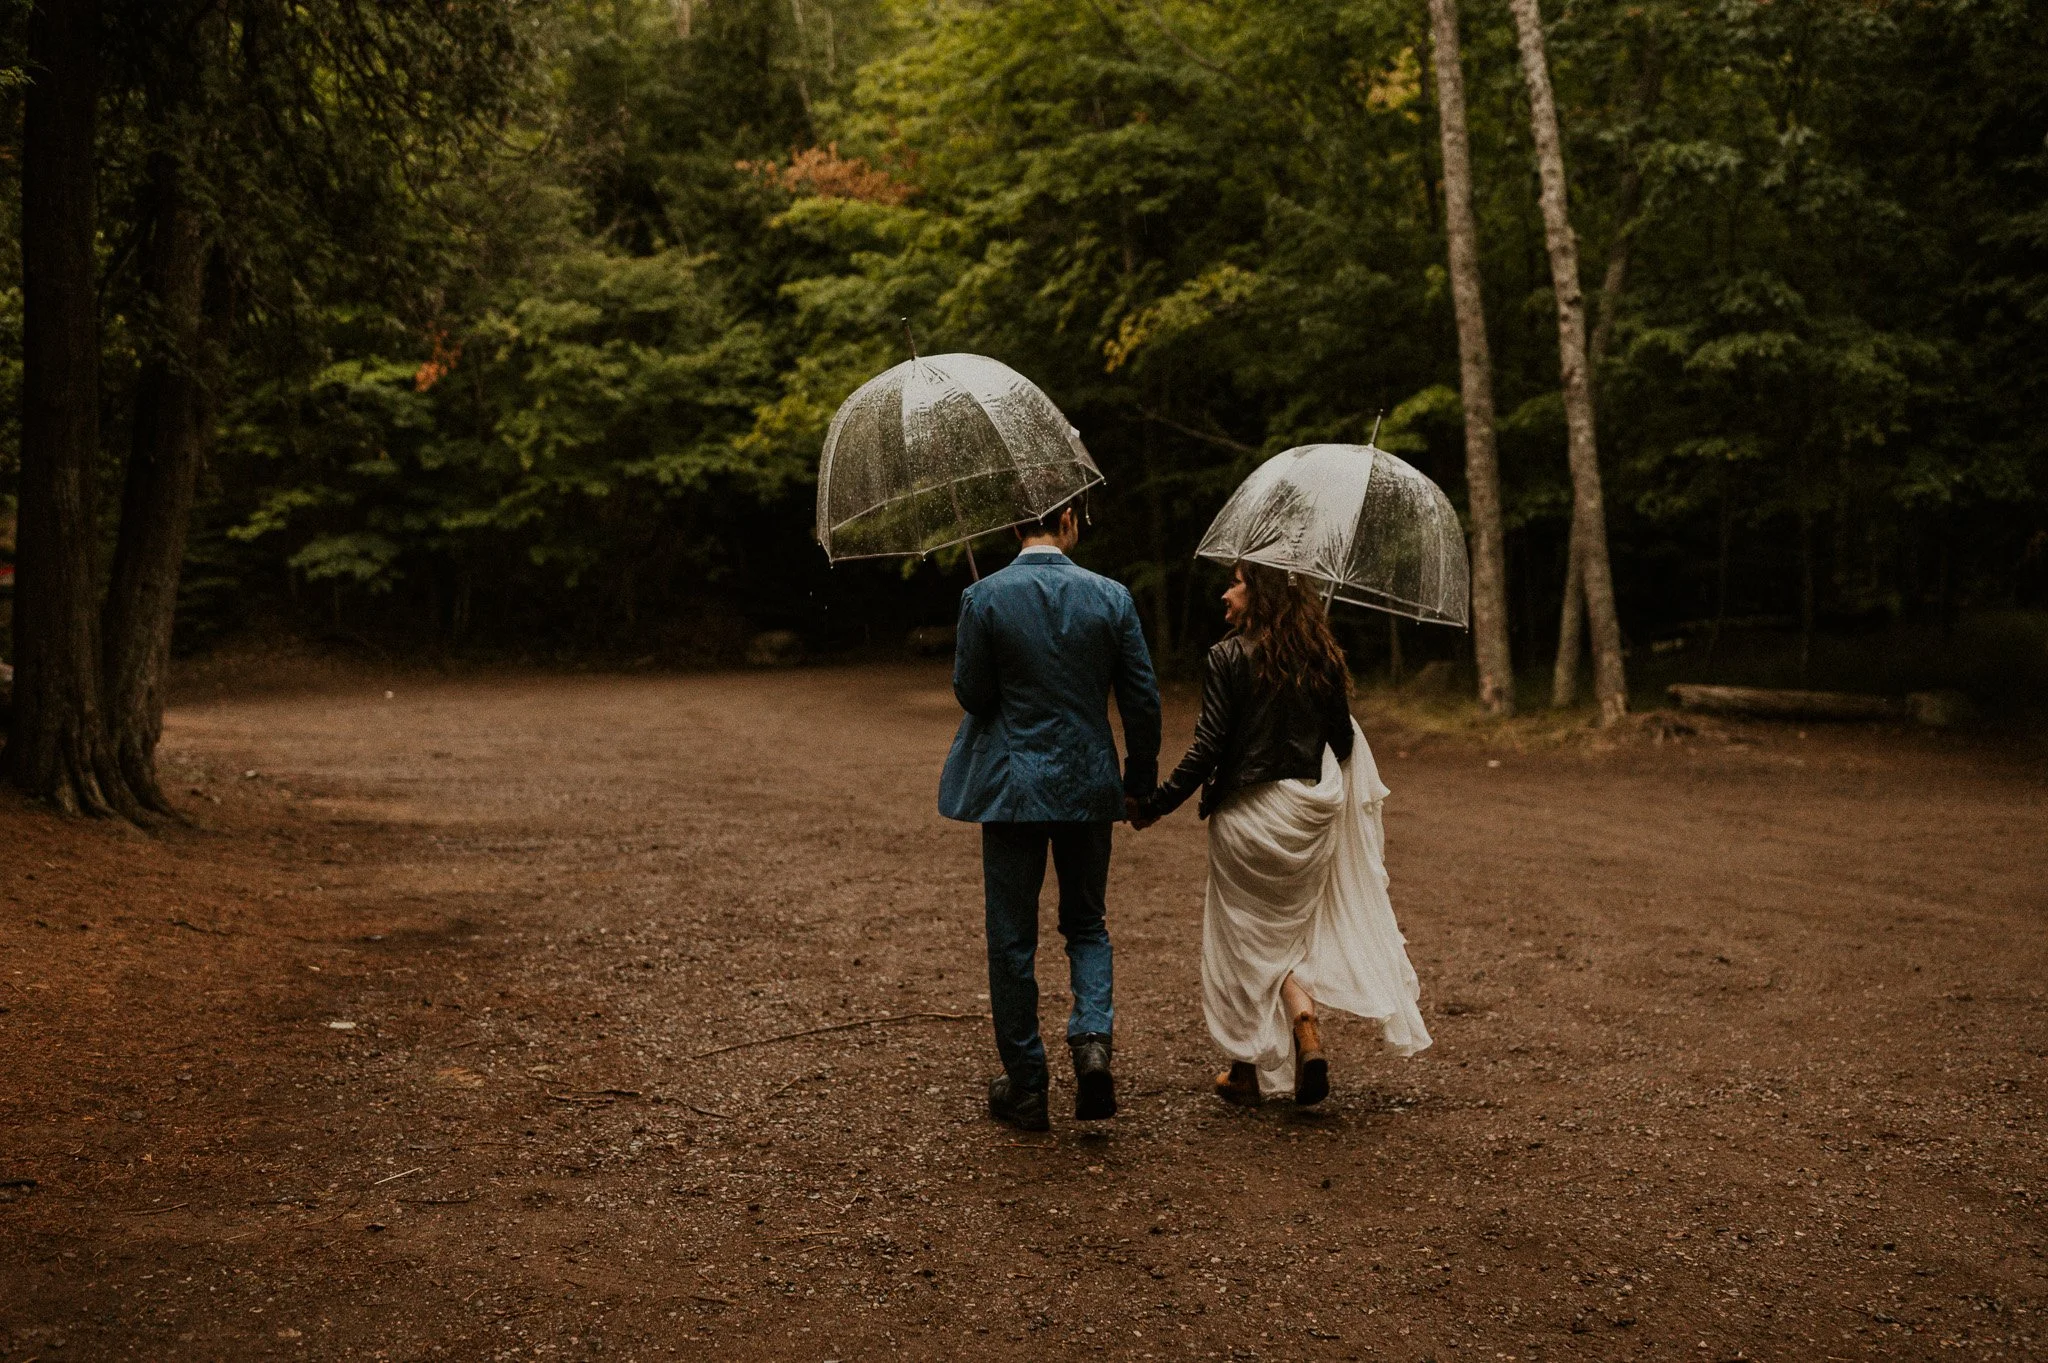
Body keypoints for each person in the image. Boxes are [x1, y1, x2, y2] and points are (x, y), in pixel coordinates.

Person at [1131, 562, 1430, 1106]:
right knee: (1289, 936)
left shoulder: (1226, 656)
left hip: (1247, 818)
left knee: (1242, 942)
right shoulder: (1320, 657)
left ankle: (1246, 1071)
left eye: (1236, 583)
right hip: (1305, 819)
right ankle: (1305, 1026)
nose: (1225, 594)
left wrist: (1157, 803)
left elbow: (1209, 747)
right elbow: (1341, 742)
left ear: (1261, 593)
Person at [939, 495, 1161, 1132]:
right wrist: (1137, 783)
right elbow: (1142, 701)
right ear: (1067, 522)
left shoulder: (984, 598)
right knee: (1086, 923)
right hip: (1089, 785)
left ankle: (1028, 1086)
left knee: (1011, 938)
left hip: (1011, 790)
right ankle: (1092, 1046)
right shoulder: (1111, 597)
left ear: (1013, 526)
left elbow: (974, 694)